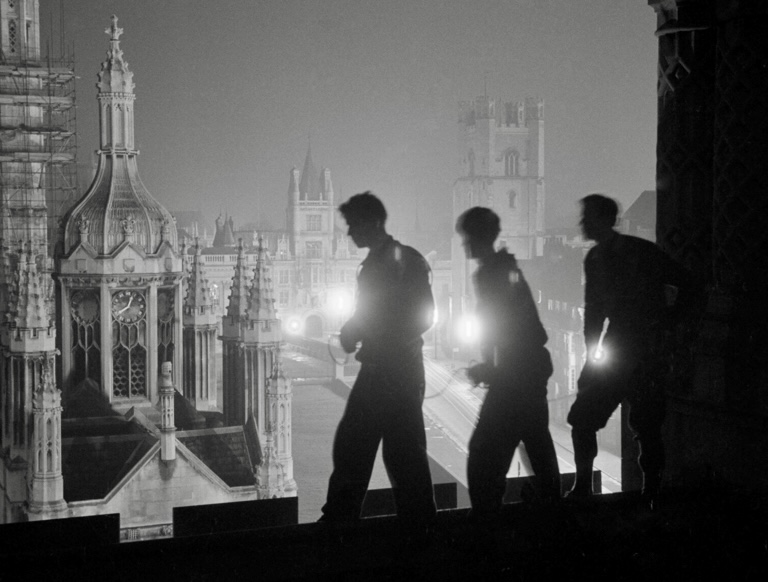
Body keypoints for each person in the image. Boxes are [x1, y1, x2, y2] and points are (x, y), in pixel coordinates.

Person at [320, 191, 437, 526]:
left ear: (371, 223)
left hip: (388, 371)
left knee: (358, 447)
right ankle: (419, 525)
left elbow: (419, 317)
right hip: (396, 369)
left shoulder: (393, 263)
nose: (348, 233)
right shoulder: (398, 260)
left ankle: (341, 522)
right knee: (401, 453)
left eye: (352, 224)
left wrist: (364, 332)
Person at [567, 194, 694, 499]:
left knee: (641, 425)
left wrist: (667, 322)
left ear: (604, 220)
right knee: (598, 420)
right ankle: (629, 489)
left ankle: (643, 489)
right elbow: (594, 313)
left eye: (588, 216)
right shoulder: (600, 257)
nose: (582, 222)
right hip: (627, 346)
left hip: (640, 348)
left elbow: (686, 283)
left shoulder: (634, 253)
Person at [456, 207, 561, 518]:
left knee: (483, 457)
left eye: (467, 237)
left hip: (513, 377)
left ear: (477, 238)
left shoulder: (491, 274)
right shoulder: (503, 268)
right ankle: (553, 512)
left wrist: (490, 366)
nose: (464, 244)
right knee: (537, 445)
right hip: (527, 372)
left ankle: (489, 525)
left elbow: (501, 327)